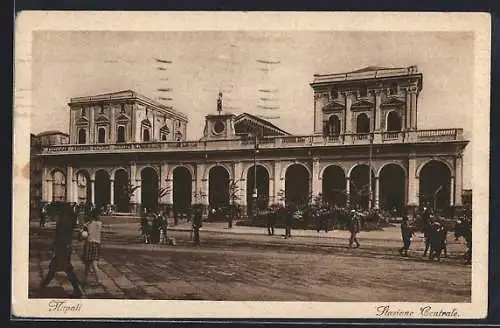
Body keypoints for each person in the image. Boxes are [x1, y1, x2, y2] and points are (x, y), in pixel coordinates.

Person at [38, 202, 83, 298]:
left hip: (63, 248)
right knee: (58, 268)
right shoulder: (66, 219)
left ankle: (42, 288)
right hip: (63, 248)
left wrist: (56, 246)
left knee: (61, 269)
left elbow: (61, 236)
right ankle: (42, 287)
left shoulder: (64, 220)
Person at [81, 208, 103, 285]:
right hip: (97, 244)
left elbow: (83, 234)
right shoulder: (99, 223)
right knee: (89, 262)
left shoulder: (87, 224)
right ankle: (85, 278)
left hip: (89, 243)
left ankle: (98, 279)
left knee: (91, 262)